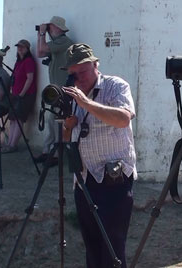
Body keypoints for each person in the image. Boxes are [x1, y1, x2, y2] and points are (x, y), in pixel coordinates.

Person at [62, 43, 137, 268]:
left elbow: (123, 119)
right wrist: (67, 127)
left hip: (114, 180)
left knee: (112, 248)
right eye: (73, 74)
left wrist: (86, 103)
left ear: (96, 65)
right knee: (92, 246)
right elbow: (66, 140)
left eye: (82, 72)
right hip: (84, 180)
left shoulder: (115, 86)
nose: (78, 79)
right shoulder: (70, 93)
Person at [35, 15, 73, 163]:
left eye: (50, 27)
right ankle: (48, 151)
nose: (48, 29)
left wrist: (42, 33)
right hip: (55, 89)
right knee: (52, 119)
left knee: (57, 120)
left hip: (62, 89)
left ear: (57, 28)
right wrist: (41, 34)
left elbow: (43, 48)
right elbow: (39, 53)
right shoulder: (57, 42)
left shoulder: (64, 41)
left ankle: (55, 154)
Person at [1, 39, 37, 153]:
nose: (20, 49)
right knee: (12, 119)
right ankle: (9, 143)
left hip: (25, 95)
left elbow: (30, 78)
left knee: (19, 119)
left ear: (27, 49)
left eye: (22, 47)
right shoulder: (19, 62)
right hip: (16, 94)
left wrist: (22, 94)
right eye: (18, 47)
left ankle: (13, 144)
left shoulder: (29, 61)